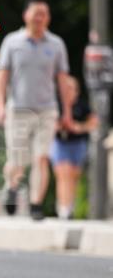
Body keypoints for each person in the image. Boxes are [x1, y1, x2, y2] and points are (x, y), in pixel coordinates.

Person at [0, 0, 73, 220]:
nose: (40, 18)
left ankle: (36, 204)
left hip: (47, 110)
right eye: (36, 13)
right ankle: (12, 187)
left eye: (44, 14)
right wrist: (0, 105)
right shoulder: (13, 42)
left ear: (48, 18)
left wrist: (67, 111)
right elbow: (2, 76)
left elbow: (63, 80)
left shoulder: (56, 44)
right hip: (18, 110)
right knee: (17, 158)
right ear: (26, 15)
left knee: (41, 157)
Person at [49, 75, 97, 219]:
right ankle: (63, 208)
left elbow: (94, 122)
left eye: (72, 88)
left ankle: (69, 206)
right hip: (60, 143)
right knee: (63, 172)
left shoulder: (82, 105)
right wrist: (58, 126)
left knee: (73, 176)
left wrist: (79, 127)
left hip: (77, 144)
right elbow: (48, 122)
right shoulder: (56, 104)